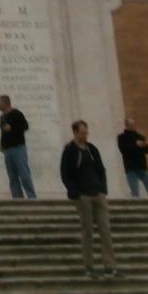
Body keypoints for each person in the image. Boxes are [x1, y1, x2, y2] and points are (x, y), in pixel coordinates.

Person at [60, 120, 117, 279]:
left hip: (98, 194)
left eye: (86, 132)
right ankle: (89, 267)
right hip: (82, 196)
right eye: (82, 132)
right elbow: (65, 174)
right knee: (88, 232)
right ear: (75, 132)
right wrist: (74, 192)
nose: (85, 135)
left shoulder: (92, 149)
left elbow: (101, 169)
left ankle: (110, 266)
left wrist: (103, 188)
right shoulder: (70, 150)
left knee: (105, 230)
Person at [0, 95, 35, 198]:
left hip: (18, 147)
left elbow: (25, 126)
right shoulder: (2, 117)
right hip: (7, 149)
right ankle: (17, 197)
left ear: (5, 103)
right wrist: (2, 144)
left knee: (24, 173)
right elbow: (3, 132)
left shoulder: (16, 113)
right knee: (12, 176)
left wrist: (12, 128)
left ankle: (31, 196)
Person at [116, 117, 148, 198]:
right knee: (134, 191)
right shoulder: (122, 137)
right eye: (131, 124)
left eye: (134, 124)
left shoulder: (140, 136)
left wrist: (143, 145)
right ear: (127, 125)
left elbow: (147, 150)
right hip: (130, 167)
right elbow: (123, 150)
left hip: (142, 166)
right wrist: (137, 146)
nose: (133, 126)